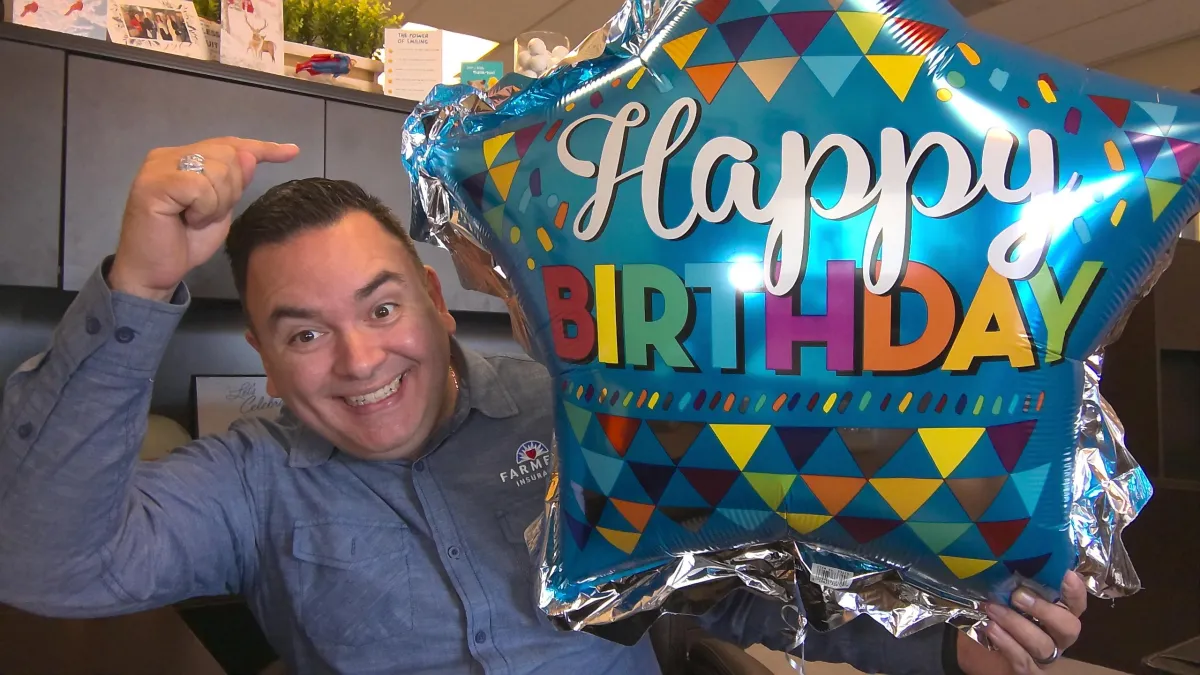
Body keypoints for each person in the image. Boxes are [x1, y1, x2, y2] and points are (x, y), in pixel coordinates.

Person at [0, 137, 1086, 675]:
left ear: (436, 302)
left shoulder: (583, 417)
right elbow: (46, 566)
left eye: (382, 306)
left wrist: (955, 649)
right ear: (266, 361)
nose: (361, 359)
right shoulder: (247, 479)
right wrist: (139, 285)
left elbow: (754, 591)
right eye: (305, 332)